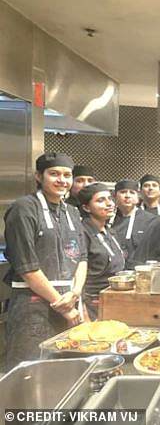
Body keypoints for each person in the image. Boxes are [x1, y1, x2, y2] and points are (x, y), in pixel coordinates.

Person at [3, 153, 87, 370]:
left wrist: (75, 294)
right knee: (30, 374)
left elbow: (82, 258)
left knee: (63, 372)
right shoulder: (23, 208)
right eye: (54, 174)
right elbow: (27, 267)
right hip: (34, 308)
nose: (62, 180)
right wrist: (63, 305)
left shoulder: (72, 212)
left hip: (70, 304)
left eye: (67, 175)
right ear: (39, 176)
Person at [78, 183, 124, 321]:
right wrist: (83, 311)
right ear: (86, 207)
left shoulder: (110, 231)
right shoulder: (82, 232)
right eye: (100, 200)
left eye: (109, 198)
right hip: (92, 301)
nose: (109, 203)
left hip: (114, 297)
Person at [110, 179, 156, 269]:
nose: (127, 196)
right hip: (113, 270)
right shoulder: (108, 219)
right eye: (123, 192)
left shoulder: (150, 220)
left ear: (138, 197)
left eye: (132, 192)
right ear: (114, 196)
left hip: (140, 269)